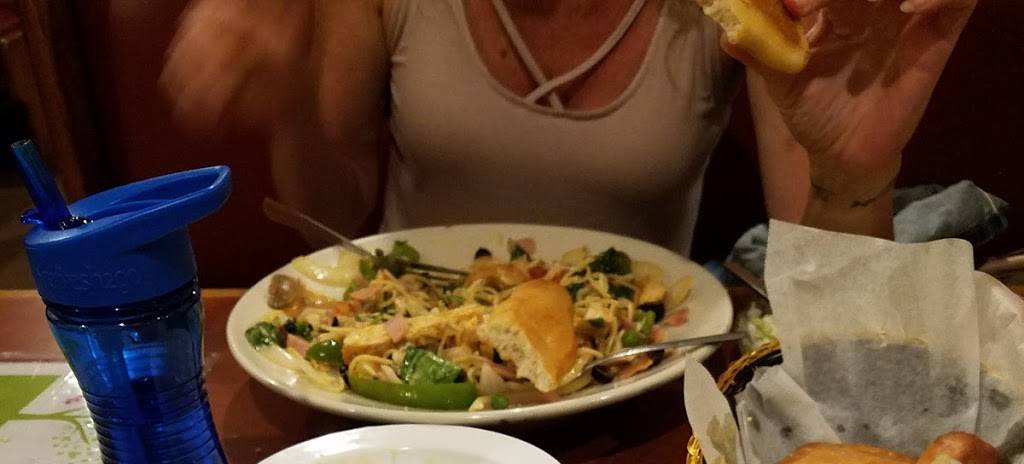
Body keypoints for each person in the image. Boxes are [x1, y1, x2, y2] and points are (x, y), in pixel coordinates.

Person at [155, 0, 977, 254]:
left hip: (643, 407)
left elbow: (821, 280)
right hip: (407, 399)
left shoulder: (741, 9)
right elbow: (329, 214)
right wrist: (291, 102)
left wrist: (856, 175)